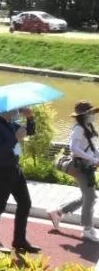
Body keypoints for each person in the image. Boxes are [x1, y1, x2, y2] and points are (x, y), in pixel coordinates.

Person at [0, 105, 39, 255]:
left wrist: (30, 118)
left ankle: (19, 240)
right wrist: (15, 138)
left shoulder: (11, 124)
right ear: (5, 110)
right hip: (1, 171)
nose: (17, 112)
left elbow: (30, 132)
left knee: (25, 203)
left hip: (15, 170)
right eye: (15, 110)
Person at [48, 101, 99, 242]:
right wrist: (93, 159)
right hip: (81, 167)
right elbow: (74, 148)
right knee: (90, 197)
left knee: (87, 197)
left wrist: (97, 157)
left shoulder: (87, 126)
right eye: (91, 113)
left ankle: (58, 212)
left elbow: (91, 147)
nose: (93, 115)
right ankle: (87, 229)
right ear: (84, 115)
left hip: (87, 166)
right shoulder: (79, 128)